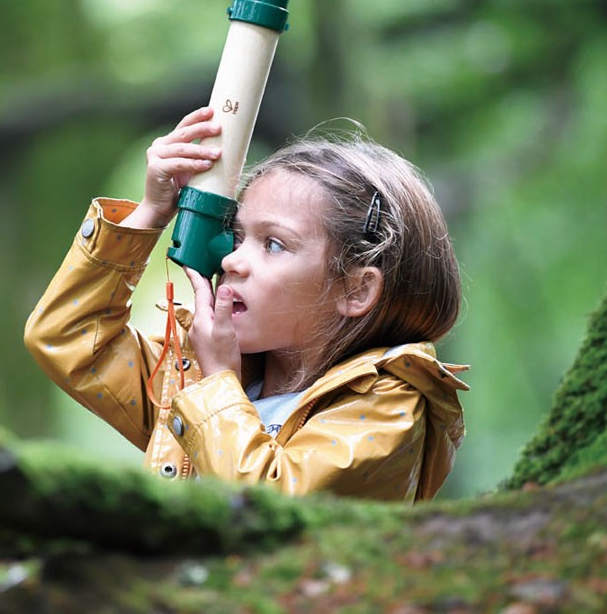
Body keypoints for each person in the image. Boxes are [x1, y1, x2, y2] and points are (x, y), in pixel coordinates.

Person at [24, 106, 469, 500]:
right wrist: (149, 215)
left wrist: (219, 380)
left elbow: (270, 508)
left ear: (355, 291)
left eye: (273, 244)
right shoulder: (197, 375)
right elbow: (69, 339)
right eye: (237, 236)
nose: (233, 260)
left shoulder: (389, 401)